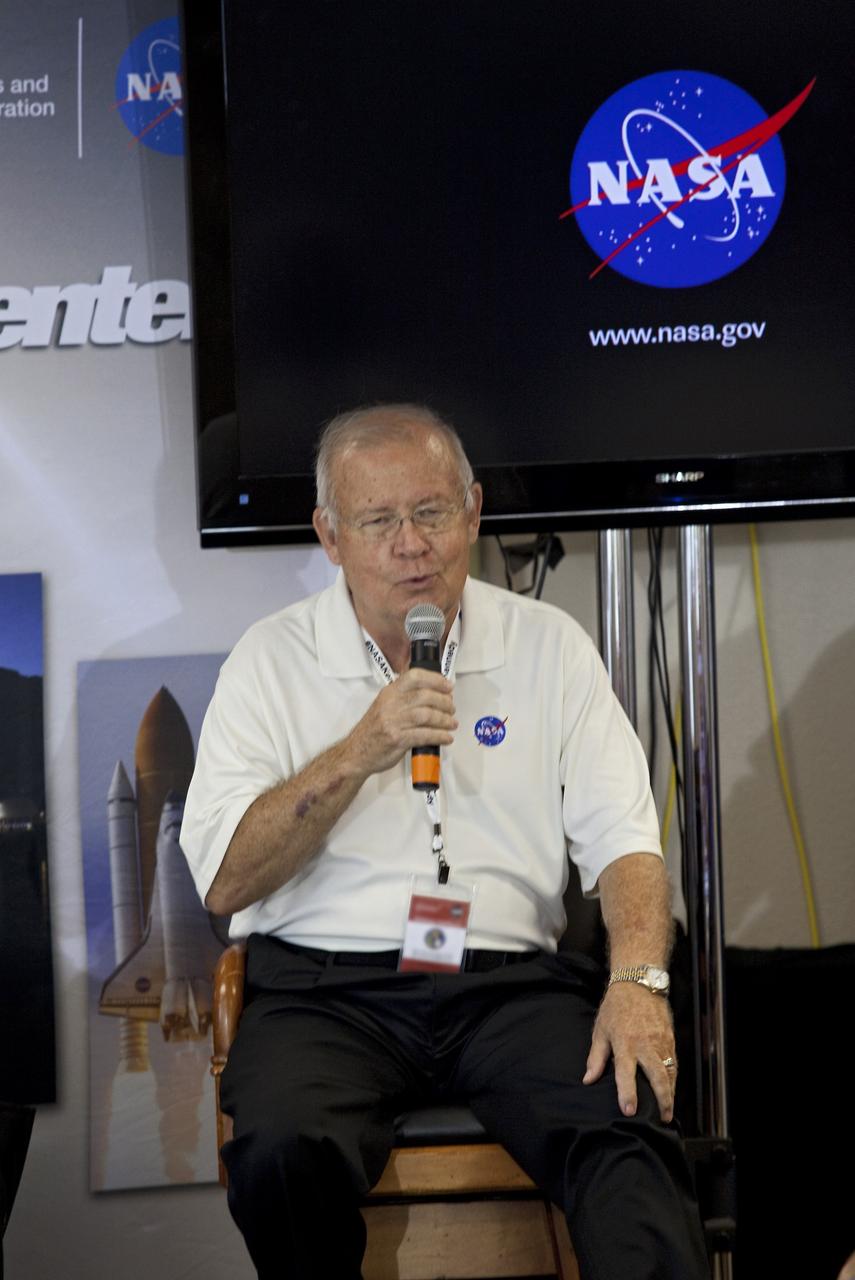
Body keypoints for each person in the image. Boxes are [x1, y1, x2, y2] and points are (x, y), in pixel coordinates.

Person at [180, 403, 709, 1280]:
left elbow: (625, 841)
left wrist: (637, 981)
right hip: (326, 992)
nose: (410, 545)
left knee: (625, 1126)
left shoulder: (548, 646)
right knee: (278, 1145)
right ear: (329, 535)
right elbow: (225, 882)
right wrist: (358, 753)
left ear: (472, 512)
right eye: (378, 521)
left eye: (429, 513)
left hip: (508, 993)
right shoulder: (268, 661)